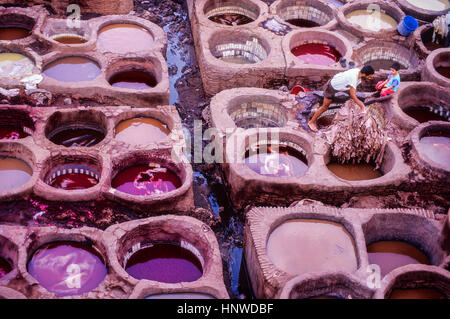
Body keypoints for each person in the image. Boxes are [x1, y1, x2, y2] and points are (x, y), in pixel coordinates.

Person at [308, 65, 375, 132]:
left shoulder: (358, 72)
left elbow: (351, 89)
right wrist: (362, 107)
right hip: (332, 87)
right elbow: (353, 95)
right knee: (325, 107)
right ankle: (311, 122)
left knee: (351, 96)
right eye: (370, 76)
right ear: (364, 74)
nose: (370, 77)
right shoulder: (353, 79)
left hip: (341, 84)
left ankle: (315, 113)